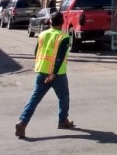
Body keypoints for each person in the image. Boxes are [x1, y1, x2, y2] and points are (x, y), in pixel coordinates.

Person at [15, 11, 75, 139]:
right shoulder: (63, 37)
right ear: (63, 22)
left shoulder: (42, 34)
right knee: (64, 96)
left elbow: (36, 52)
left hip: (42, 71)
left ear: (50, 22)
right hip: (57, 74)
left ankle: (23, 122)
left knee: (35, 98)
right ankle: (63, 120)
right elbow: (60, 56)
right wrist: (53, 73)